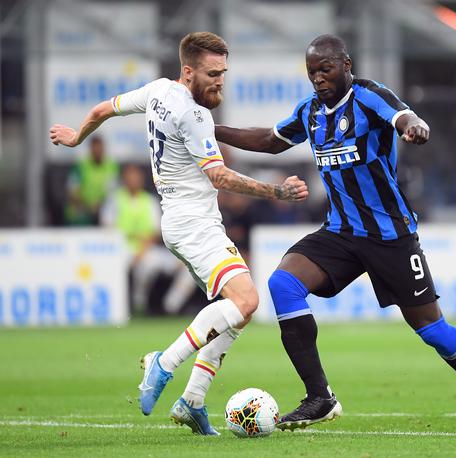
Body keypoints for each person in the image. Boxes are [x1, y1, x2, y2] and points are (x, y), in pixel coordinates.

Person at [214, 34, 456, 432]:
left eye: (325, 70)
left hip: (389, 237)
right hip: (340, 233)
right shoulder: (311, 111)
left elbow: (404, 117)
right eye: (311, 72)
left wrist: (415, 128)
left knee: (434, 331)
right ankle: (319, 396)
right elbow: (270, 141)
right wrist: (213, 129)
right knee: (283, 284)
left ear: (346, 64)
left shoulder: (368, 96)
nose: (318, 79)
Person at [49, 31, 308, 435]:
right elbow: (219, 175)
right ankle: (164, 362)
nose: (219, 81)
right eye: (211, 73)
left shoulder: (156, 91)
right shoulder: (194, 114)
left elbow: (103, 109)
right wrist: (276, 191)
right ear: (188, 72)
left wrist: (75, 137)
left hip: (183, 221)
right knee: (246, 300)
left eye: (223, 73)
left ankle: (193, 399)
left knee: (237, 314)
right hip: (194, 224)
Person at [100, 164, 196, 315]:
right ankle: (139, 303)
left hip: (146, 249)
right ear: (124, 179)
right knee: (147, 264)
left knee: (188, 265)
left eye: (136, 177)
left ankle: (170, 306)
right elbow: (107, 227)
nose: (133, 180)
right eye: (129, 177)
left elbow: (155, 232)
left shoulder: (149, 201)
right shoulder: (115, 199)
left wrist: (142, 249)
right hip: (121, 249)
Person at [65, 135, 119, 225]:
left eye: (100, 148)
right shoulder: (80, 165)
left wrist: (100, 205)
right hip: (81, 209)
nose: (97, 151)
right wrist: (88, 206)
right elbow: (73, 191)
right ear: (90, 149)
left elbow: (113, 191)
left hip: (102, 209)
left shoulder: (112, 166)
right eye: (95, 148)